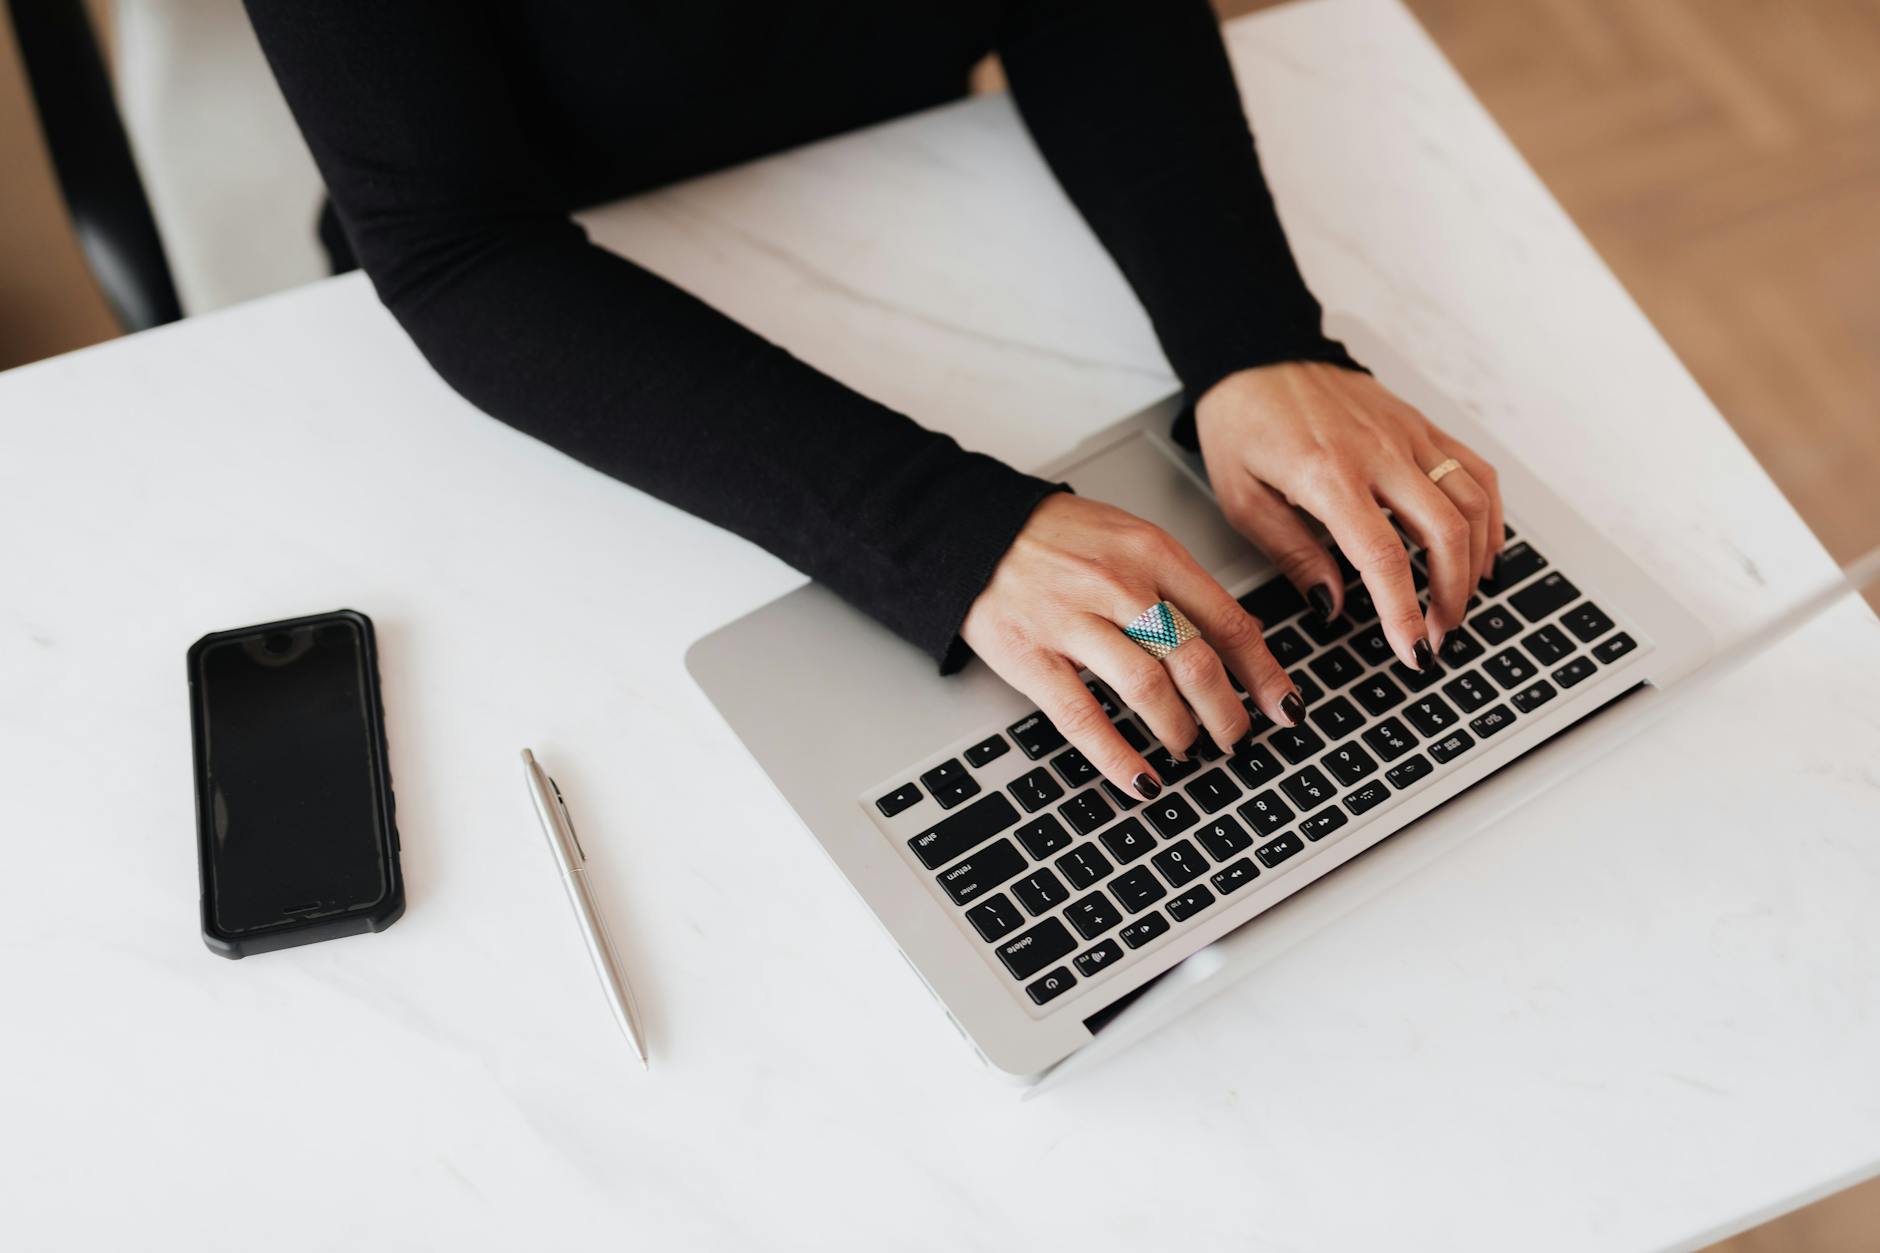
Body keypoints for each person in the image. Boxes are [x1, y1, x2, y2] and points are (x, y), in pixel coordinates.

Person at [244, 0, 1503, 804]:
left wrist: (1251, 341)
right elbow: (456, 248)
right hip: (562, 332)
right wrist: (957, 535)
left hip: (906, 179)